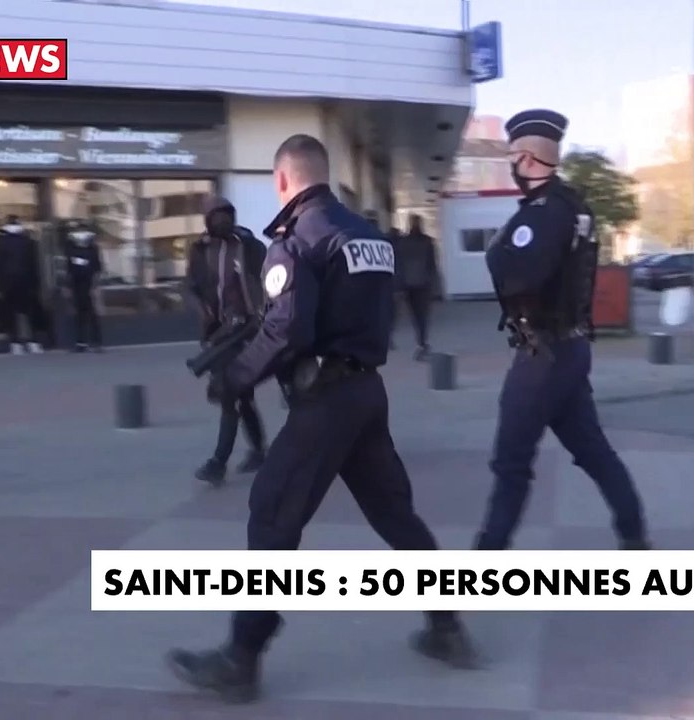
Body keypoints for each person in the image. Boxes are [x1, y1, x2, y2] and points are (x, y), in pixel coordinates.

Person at [167, 134, 478, 704]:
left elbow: (287, 330)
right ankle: (447, 628)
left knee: (271, 516)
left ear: (282, 179)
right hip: (367, 392)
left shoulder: (297, 241)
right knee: (395, 515)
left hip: (326, 403)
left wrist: (237, 378)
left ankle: (240, 659)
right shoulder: (368, 236)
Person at [474, 109, 651, 552]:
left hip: (542, 355)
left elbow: (518, 277)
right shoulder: (574, 205)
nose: (512, 167)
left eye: (513, 157)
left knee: (510, 464)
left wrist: (498, 252)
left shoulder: (542, 214)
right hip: (569, 348)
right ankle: (634, 537)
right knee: (593, 452)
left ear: (527, 158)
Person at [185, 197, 268, 486]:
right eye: (216, 216)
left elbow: (269, 277)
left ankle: (220, 462)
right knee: (238, 395)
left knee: (232, 393)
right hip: (218, 334)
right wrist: (204, 312)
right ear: (207, 220)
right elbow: (190, 288)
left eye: (227, 215)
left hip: (248, 330)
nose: (222, 220)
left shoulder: (248, 246)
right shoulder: (200, 250)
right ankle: (256, 451)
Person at [0, 215, 50, 354]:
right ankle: (33, 341)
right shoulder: (27, 241)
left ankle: (15, 342)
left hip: (8, 282)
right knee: (29, 312)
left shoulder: (0, 242)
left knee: (11, 313)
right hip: (26, 281)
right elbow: (34, 263)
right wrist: (36, 283)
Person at [396, 213, 439, 360]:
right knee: (422, 315)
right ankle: (422, 342)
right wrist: (434, 285)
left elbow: (399, 264)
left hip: (409, 284)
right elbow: (432, 265)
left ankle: (421, 342)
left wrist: (398, 285)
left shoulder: (403, 242)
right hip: (423, 284)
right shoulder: (427, 241)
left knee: (415, 315)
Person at [61, 221, 104, 352]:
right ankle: (81, 342)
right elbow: (69, 268)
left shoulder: (93, 248)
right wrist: (67, 286)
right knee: (79, 315)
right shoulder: (70, 248)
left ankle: (96, 342)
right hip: (76, 285)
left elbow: (97, 268)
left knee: (92, 315)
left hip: (89, 285)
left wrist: (95, 286)